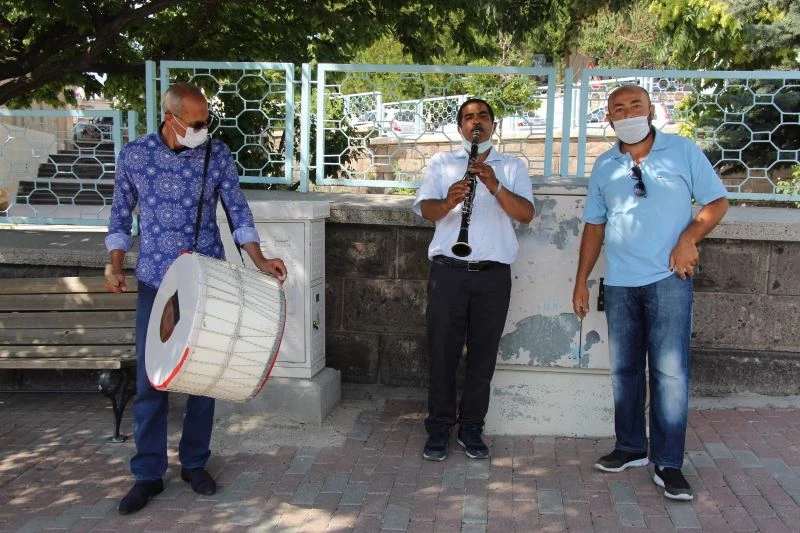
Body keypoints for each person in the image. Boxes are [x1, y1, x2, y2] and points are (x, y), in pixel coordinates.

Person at [104, 82, 287, 515]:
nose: (205, 129)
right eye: (197, 123)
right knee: (152, 381)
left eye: (208, 120)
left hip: (207, 282)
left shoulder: (216, 154)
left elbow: (237, 209)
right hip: (154, 280)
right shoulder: (135, 156)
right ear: (172, 119)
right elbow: (118, 214)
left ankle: (194, 463)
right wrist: (114, 262)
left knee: (206, 376)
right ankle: (147, 474)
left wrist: (258, 258)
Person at [572, 84, 728, 501]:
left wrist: (689, 238)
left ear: (651, 109)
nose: (627, 113)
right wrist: (581, 279)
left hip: (668, 279)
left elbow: (716, 201)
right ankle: (631, 447)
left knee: (670, 373)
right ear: (608, 118)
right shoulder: (604, 166)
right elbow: (595, 225)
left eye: (634, 106)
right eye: (617, 108)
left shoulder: (681, 152)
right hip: (621, 282)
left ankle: (669, 463)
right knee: (624, 371)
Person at [413, 98, 535, 461]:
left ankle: (471, 429)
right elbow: (426, 211)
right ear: (460, 127)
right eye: (468, 117)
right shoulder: (441, 163)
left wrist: (495, 186)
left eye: (482, 116)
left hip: (493, 277)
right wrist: (449, 201)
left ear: (493, 125)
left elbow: (526, 214)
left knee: (483, 357)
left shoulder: (512, 166)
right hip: (448, 273)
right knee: (442, 355)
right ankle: (438, 429)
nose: (475, 121)